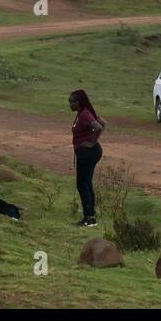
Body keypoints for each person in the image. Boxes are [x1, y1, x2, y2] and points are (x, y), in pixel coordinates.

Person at [69, 89, 106, 227]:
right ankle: (90, 216)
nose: (70, 104)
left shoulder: (84, 114)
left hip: (88, 152)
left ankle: (89, 218)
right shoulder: (83, 113)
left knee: (82, 184)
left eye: (72, 101)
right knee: (87, 183)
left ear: (78, 102)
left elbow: (98, 127)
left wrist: (91, 143)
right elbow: (104, 123)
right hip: (88, 152)